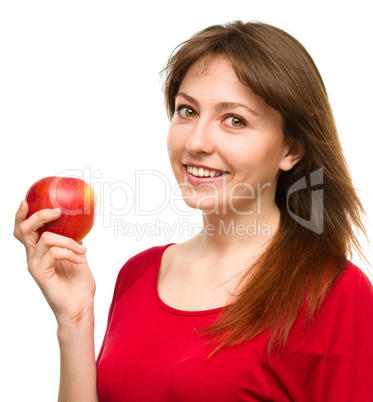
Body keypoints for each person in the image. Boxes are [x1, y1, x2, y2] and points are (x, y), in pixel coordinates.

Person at [14, 21, 373, 401]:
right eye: (186, 111)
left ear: (291, 150)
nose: (197, 141)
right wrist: (75, 321)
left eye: (234, 120)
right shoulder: (137, 274)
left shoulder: (336, 296)